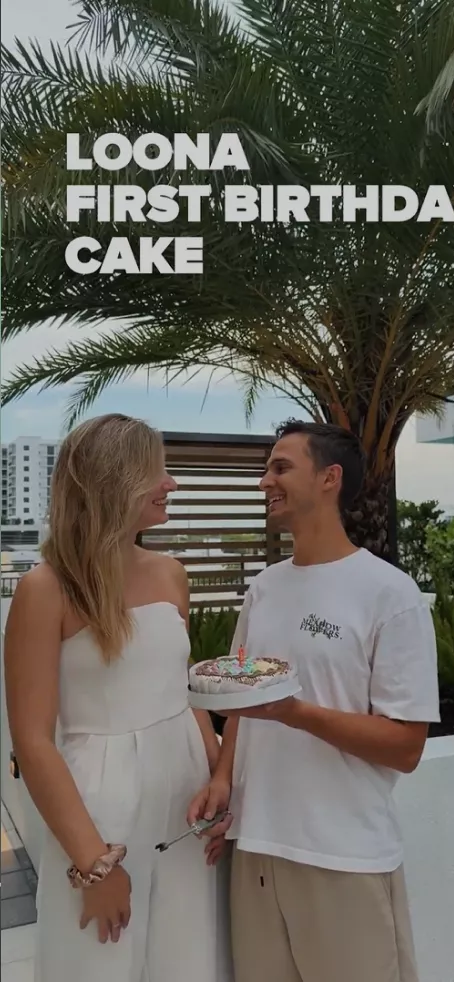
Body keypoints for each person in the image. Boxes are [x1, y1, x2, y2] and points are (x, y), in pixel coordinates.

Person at [188, 419, 441, 982]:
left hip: (343, 856)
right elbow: (242, 698)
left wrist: (295, 713)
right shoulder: (265, 588)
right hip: (256, 849)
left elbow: (405, 746)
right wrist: (224, 779)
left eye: (281, 468)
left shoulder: (390, 594)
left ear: (330, 478)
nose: (265, 481)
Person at [4, 414, 233, 982]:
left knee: (187, 961)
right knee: (98, 964)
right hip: (99, 815)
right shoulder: (44, 589)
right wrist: (95, 864)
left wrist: (218, 782)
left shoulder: (171, 573)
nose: (170, 483)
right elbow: (32, 742)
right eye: (156, 472)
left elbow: (182, 692)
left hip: (185, 807)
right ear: (114, 481)